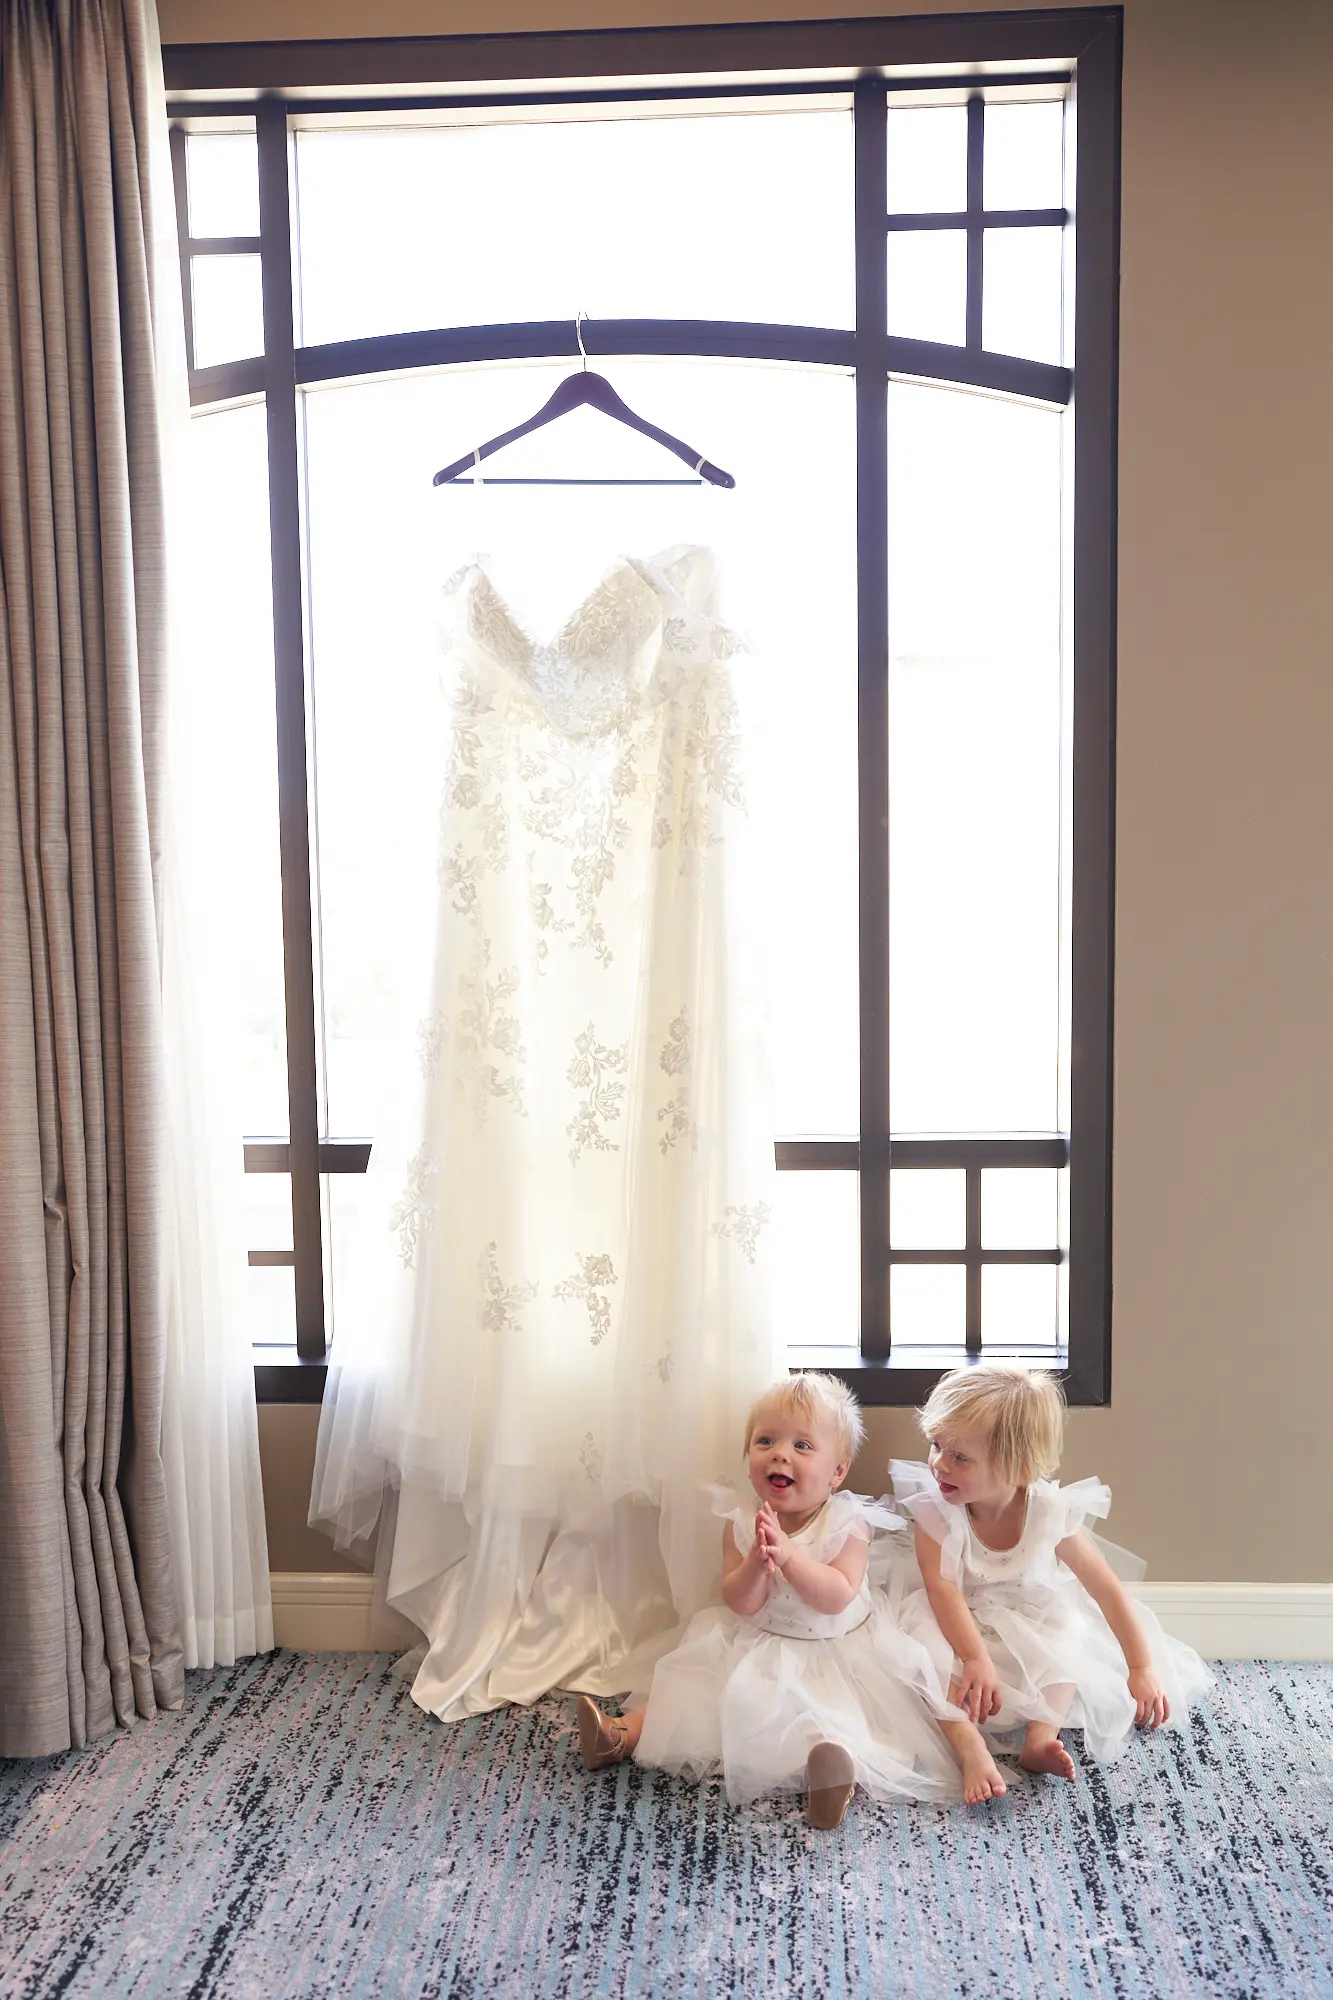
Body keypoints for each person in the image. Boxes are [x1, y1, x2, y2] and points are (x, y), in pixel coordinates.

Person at [574, 1371, 956, 1825]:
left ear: (837, 1472)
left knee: (822, 1719)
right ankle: (619, 1734)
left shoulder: (850, 1522)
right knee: (687, 1693)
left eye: (802, 1446)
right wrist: (756, 1561)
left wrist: (790, 1556)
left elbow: (836, 1595)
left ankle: (831, 1774)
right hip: (753, 1643)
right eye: (766, 1441)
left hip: (834, 1654)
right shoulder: (741, 1520)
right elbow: (739, 1601)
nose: (780, 1453)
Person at [889, 1362, 1212, 1805]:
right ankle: (969, 1746)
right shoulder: (935, 1511)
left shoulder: (1048, 1510)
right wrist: (974, 1657)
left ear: (1017, 1465)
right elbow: (941, 1590)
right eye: (936, 1445)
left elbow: (1106, 1589)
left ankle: (1041, 1736)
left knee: (1070, 1628)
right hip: (955, 1618)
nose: (939, 1464)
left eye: (959, 1456)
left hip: (1025, 1613)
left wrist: (1141, 1667)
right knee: (919, 1645)